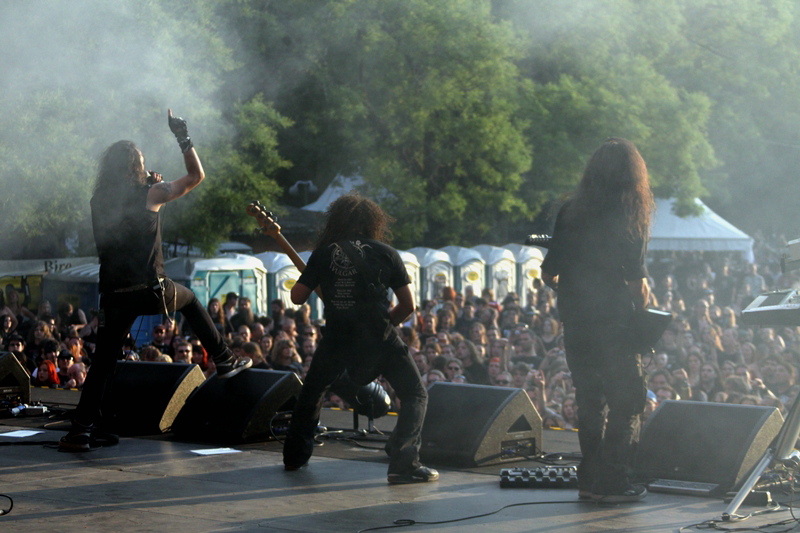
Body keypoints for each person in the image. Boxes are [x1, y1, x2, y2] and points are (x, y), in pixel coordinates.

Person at [59, 110, 251, 453]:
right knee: (190, 300)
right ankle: (223, 358)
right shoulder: (151, 194)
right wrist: (183, 137)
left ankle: (80, 430)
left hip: (114, 293)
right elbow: (196, 176)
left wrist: (147, 181)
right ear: (135, 167)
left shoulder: (98, 201)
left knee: (102, 363)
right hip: (149, 289)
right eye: (142, 163)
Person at [283, 193, 438, 484]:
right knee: (415, 393)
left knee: (312, 392)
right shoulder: (387, 253)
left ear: (335, 221)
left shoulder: (324, 252)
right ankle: (404, 464)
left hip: (337, 337)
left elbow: (297, 296)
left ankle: (294, 458)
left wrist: (326, 282)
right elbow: (408, 306)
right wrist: (383, 327)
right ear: (373, 223)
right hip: (379, 335)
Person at [541, 138, 653, 503]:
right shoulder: (630, 212)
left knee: (590, 400)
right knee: (630, 401)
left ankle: (588, 480)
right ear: (633, 174)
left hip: (577, 323)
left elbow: (548, 273)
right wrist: (643, 307)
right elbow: (636, 282)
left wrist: (573, 294)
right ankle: (614, 482)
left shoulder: (571, 210)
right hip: (615, 324)